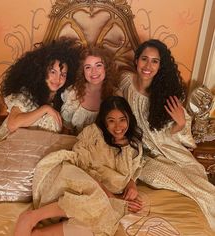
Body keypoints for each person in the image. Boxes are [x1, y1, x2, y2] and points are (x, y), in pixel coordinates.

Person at [120, 38, 215, 231]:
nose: (148, 66)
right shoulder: (125, 82)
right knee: (165, 179)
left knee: (203, 190)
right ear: (136, 60)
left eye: (155, 61)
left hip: (168, 151)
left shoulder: (167, 94)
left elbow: (172, 136)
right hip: (143, 156)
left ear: (161, 65)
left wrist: (180, 123)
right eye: (144, 59)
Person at [14, 96, 144, 236]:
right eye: (111, 121)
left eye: (122, 120)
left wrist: (132, 184)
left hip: (99, 195)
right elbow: (85, 168)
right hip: (77, 177)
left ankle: (39, 234)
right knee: (99, 201)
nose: (118, 127)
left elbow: (134, 169)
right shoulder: (94, 134)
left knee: (104, 224)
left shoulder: (134, 145)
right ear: (104, 122)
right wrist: (111, 197)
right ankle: (34, 216)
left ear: (129, 118)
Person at [0, 37, 82, 145]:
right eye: (53, 72)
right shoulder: (27, 93)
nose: (58, 79)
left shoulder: (65, 95)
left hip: (42, 145)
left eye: (63, 74)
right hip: (16, 143)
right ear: (42, 70)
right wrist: (45, 109)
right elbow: (12, 124)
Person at [60, 45, 122, 135]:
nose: (94, 71)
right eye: (88, 67)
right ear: (83, 71)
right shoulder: (72, 93)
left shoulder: (116, 95)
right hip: (75, 144)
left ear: (106, 68)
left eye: (98, 65)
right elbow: (66, 130)